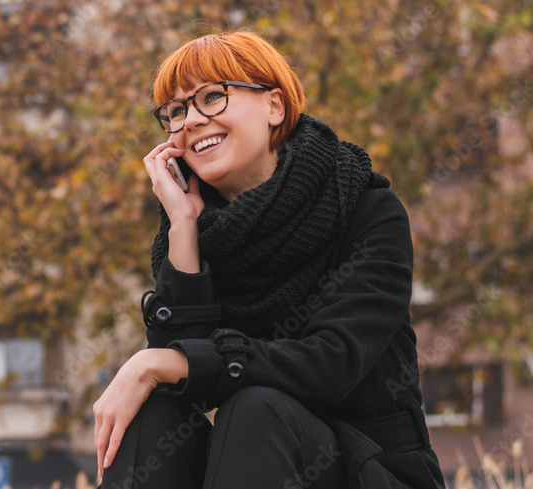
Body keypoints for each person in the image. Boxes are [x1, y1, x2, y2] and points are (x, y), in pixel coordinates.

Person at [92, 31, 445, 489]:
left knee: (257, 406)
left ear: (274, 106)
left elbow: (329, 366)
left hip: (369, 470)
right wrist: (183, 227)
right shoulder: (193, 231)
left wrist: (155, 364)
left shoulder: (363, 206)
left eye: (212, 97)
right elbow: (187, 376)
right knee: (155, 411)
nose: (191, 120)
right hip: (253, 462)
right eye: (176, 111)